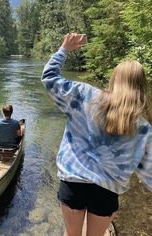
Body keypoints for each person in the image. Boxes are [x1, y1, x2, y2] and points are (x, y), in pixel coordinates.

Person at [41, 32, 152, 236]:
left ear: (114, 79)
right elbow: (148, 173)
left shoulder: (85, 95)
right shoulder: (143, 127)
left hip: (73, 182)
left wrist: (64, 50)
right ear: (141, 86)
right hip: (107, 191)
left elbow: (49, 78)